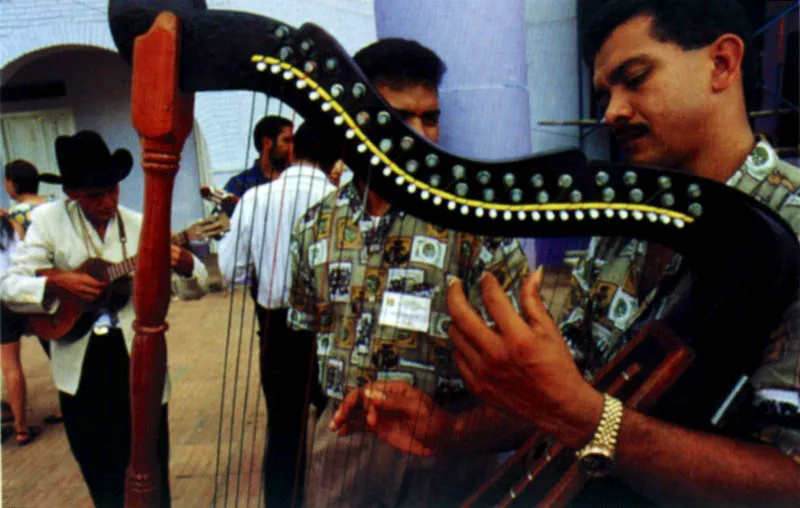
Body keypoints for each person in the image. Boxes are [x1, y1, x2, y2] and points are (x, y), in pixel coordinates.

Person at [333, 1, 800, 505]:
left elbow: (788, 481)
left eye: (635, 78)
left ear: (723, 64)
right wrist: (450, 431)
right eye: (604, 92)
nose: (611, 112)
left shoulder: (792, 228)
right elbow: (563, 393)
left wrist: (586, 417)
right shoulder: (624, 225)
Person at [287, 38, 531, 507]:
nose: (421, 134)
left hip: (441, 450)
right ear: (356, 120)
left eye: (431, 117)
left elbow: (522, 359)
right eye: (400, 118)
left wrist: (458, 429)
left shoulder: (476, 225)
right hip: (342, 442)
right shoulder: (316, 227)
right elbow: (305, 329)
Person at [1, 130, 209, 507]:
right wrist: (60, 280)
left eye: (112, 190)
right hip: (79, 366)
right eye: (95, 195)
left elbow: (196, 290)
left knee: (151, 463)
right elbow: (9, 284)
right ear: (72, 194)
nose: (108, 201)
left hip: (136, 358)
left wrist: (187, 266)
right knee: (100, 470)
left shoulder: (141, 223)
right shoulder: (48, 221)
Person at [217, 121, 342, 507]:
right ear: (334, 158)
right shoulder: (343, 200)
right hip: (333, 331)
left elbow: (230, 269)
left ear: (294, 150)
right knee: (339, 428)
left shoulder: (254, 199)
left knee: (284, 432)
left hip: (277, 331)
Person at [3, 160, 65, 436]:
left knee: (13, 361)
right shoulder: (55, 208)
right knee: (59, 347)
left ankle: (20, 426)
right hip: (55, 285)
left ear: (12, 183)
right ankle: (67, 402)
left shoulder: (12, 216)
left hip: (20, 291)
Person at [222, 115, 294, 214]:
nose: (292, 148)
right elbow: (221, 223)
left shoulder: (297, 179)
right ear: (267, 143)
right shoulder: (240, 184)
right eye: (287, 141)